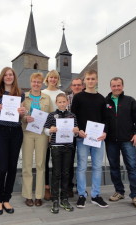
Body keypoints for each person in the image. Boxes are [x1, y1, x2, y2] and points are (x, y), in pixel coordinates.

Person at [105, 77, 136, 210]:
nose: (116, 88)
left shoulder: (130, 100)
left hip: (128, 140)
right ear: (110, 87)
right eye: (114, 86)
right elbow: (100, 119)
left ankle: (135, 195)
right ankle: (119, 191)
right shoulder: (105, 102)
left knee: (132, 168)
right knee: (114, 167)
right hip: (111, 141)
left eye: (118, 85)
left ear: (122, 86)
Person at [71, 70, 109, 208]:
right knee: (81, 167)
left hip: (98, 138)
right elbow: (73, 116)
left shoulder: (101, 98)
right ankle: (82, 195)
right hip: (83, 137)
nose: (91, 81)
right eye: (88, 79)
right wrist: (78, 130)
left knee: (97, 167)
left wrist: (105, 132)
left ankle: (95, 195)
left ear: (96, 80)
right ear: (84, 81)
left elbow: (105, 119)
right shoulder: (78, 97)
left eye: (93, 79)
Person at [0, 67, 26, 215]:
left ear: (14, 77)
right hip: (1, 131)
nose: (8, 76)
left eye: (11, 74)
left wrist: (22, 113)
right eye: (6, 75)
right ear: (2, 77)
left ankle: (7, 199)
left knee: (12, 168)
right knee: (2, 168)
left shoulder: (20, 94)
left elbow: (22, 117)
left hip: (16, 132)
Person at [21, 72, 53, 207]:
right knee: (27, 165)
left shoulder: (47, 98)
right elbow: (19, 115)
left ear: (42, 84)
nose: (36, 84)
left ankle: (39, 196)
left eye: (38, 82)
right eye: (34, 81)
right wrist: (24, 118)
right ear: (31, 82)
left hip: (42, 134)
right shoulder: (24, 97)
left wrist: (50, 132)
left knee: (40, 165)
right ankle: (28, 195)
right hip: (27, 132)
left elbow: (51, 116)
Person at [44, 93, 79, 214]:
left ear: (67, 102)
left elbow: (75, 132)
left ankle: (64, 198)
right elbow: (45, 129)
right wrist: (50, 130)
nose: (62, 104)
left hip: (68, 147)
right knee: (56, 173)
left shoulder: (72, 115)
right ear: (56, 103)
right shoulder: (52, 115)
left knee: (66, 173)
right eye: (60, 102)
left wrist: (76, 131)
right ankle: (55, 199)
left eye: (64, 101)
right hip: (56, 147)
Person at [41, 70, 64, 200]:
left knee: (57, 162)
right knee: (45, 161)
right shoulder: (43, 93)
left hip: (60, 132)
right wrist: (48, 130)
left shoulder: (61, 94)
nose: (53, 79)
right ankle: (46, 188)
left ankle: (58, 188)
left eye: (55, 78)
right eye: (51, 77)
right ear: (47, 78)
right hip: (45, 130)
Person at [67, 78, 83, 197]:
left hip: (83, 135)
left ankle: (80, 186)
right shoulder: (67, 99)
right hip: (69, 135)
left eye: (79, 85)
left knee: (82, 162)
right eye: (74, 85)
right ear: (71, 87)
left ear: (82, 86)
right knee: (69, 161)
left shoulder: (86, 98)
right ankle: (69, 187)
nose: (77, 87)